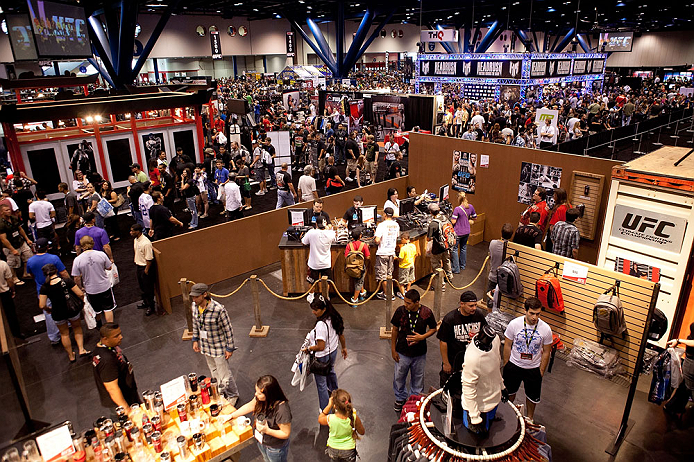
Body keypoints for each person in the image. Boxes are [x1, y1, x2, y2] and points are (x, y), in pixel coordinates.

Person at [502, 297, 553, 422]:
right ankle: (507, 415)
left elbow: (547, 351)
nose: (534, 317)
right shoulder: (514, 324)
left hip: (533, 368)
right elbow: (507, 345)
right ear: (525, 310)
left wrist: (541, 370)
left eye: (537, 314)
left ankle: (529, 418)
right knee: (509, 393)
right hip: (514, 365)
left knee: (532, 397)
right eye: (531, 313)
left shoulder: (545, 329)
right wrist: (506, 364)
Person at [190, 283, 240, 405]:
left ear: (204, 294)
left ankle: (233, 395)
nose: (194, 299)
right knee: (213, 371)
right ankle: (221, 392)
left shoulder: (218, 309)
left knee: (225, 374)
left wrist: (229, 348)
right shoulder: (194, 306)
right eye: (193, 297)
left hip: (218, 348)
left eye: (196, 297)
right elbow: (195, 324)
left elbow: (228, 330)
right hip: (206, 346)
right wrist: (195, 339)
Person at [390, 289, 437, 413]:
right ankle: (400, 398)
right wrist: (393, 350)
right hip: (402, 352)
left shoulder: (426, 312)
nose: (406, 305)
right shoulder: (400, 311)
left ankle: (415, 399)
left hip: (419, 353)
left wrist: (422, 337)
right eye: (405, 302)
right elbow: (395, 329)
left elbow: (433, 328)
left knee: (418, 377)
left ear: (417, 302)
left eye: (409, 303)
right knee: (399, 377)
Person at [229, 375, 291, 462]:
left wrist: (267, 430)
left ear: (269, 394)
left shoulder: (282, 410)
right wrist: (231, 415)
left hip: (275, 448)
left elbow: (285, 433)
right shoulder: (261, 399)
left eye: (259, 393)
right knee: (266, 459)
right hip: (262, 441)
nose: (256, 394)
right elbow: (250, 405)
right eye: (256, 391)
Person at [39, 263, 89, 362]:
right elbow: (79, 293)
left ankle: (71, 355)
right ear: (56, 271)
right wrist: (82, 302)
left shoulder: (45, 287)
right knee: (77, 328)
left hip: (57, 312)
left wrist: (48, 309)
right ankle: (81, 349)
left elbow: (41, 305)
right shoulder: (66, 281)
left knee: (64, 334)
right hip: (72, 310)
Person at [304, 296, 348, 410]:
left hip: (321, 357)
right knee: (331, 370)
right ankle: (336, 393)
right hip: (333, 351)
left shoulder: (320, 326)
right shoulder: (334, 317)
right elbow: (341, 334)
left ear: (323, 309)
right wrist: (344, 348)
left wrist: (308, 348)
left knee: (321, 384)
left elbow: (320, 346)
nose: (313, 312)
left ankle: (325, 410)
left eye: (316, 310)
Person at [437, 291, 488, 386]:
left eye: (475, 305)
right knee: (449, 385)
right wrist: (446, 363)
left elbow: (484, 333)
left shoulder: (478, 315)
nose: (474, 308)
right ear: (462, 304)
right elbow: (443, 341)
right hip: (454, 360)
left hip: (473, 360)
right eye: (471, 306)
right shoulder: (450, 319)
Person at [462, 325, 505, 435]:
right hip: (479, 406)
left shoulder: (495, 340)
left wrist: (502, 387)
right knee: (476, 439)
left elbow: (495, 369)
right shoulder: (473, 358)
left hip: (493, 400)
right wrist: (474, 417)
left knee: (490, 428)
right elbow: (468, 387)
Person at [26, 238, 68, 344]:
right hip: (57, 287)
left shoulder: (30, 261)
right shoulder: (54, 258)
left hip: (42, 289)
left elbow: (31, 275)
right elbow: (63, 273)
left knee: (48, 312)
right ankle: (67, 325)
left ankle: (54, 337)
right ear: (47, 247)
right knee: (64, 304)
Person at [92, 323, 141, 412]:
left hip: (129, 393)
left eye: (120, 333)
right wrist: (126, 410)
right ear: (105, 339)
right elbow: (112, 388)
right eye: (116, 336)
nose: (121, 337)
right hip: (122, 402)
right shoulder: (107, 360)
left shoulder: (105, 347)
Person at [72, 236, 115, 324]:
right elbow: (109, 267)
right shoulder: (101, 254)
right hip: (104, 286)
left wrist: (80, 288)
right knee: (108, 309)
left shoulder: (78, 260)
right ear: (93, 243)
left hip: (91, 289)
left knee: (96, 310)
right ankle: (110, 327)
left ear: (81, 246)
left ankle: (99, 325)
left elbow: (76, 277)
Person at [318, 389, 366, 462]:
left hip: (333, 449)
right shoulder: (354, 417)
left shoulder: (331, 418)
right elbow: (362, 432)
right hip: (348, 451)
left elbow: (320, 418)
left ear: (335, 406)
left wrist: (329, 405)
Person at [663, 323, 694, 416]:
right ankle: (673, 406)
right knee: (686, 387)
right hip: (690, 361)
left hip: (691, 362)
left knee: (687, 388)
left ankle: (673, 406)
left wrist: (679, 340)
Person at [0, 203, 33, 285]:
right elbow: (3, 239)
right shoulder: (1, 224)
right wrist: (12, 249)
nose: (9, 211)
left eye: (9, 210)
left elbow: (20, 229)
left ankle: (26, 273)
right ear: (1, 212)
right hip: (10, 245)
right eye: (6, 210)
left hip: (20, 241)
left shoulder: (13, 218)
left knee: (28, 255)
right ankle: (14, 278)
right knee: (12, 262)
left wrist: (27, 239)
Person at [302, 215, 336, 290]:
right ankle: (325, 297)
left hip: (314, 264)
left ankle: (311, 296)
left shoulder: (311, 233)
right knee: (327, 282)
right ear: (326, 224)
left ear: (316, 224)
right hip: (326, 264)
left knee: (311, 282)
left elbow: (304, 242)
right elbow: (335, 239)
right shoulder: (331, 233)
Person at [374, 207, 400, 300]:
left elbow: (377, 240)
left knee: (383, 276)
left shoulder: (381, 225)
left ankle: (388, 295)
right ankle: (390, 293)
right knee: (389, 275)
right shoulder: (396, 225)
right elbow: (396, 236)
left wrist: (375, 238)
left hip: (382, 253)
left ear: (385, 214)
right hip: (391, 252)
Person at [131, 224, 156, 315]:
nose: (131, 232)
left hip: (145, 268)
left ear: (138, 231)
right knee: (142, 287)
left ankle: (151, 307)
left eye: (133, 231)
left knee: (148, 288)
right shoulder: (136, 240)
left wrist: (146, 270)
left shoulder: (146, 243)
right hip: (139, 266)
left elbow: (149, 258)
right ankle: (146, 302)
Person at [427, 203, 453, 289]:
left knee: (436, 265)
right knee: (446, 261)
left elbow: (428, 238)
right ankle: (449, 277)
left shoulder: (433, 224)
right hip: (446, 246)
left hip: (437, 248)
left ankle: (440, 284)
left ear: (430, 212)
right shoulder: (445, 218)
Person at [487, 223, 514, 308]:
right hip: (504, 281)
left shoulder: (493, 243)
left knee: (490, 303)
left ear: (501, 232)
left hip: (493, 277)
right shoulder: (512, 249)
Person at [450, 191, 477, 273]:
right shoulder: (470, 207)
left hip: (458, 232)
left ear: (458, 199)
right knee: (463, 248)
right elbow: (475, 217)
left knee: (454, 249)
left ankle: (456, 268)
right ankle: (462, 266)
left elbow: (453, 221)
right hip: (467, 231)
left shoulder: (457, 209)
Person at [345, 228, 370, 306]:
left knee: (358, 281)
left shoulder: (349, 245)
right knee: (359, 282)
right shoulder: (363, 245)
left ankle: (362, 293)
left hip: (351, 267)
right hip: (360, 267)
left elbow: (346, 256)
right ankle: (355, 300)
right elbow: (368, 257)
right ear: (360, 236)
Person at [0, 258, 23, 342]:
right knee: (11, 315)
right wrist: (13, 290)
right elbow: (10, 281)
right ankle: (16, 334)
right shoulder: (2, 264)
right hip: (4, 294)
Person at [546, 187, 572, 253]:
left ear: (558, 197)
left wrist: (553, 240)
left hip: (556, 236)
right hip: (565, 236)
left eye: (555, 195)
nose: (553, 196)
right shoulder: (569, 206)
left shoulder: (559, 209)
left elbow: (552, 226)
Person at [396, 231, 417, 296]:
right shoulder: (413, 246)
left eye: (402, 239)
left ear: (404, 239)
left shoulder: (403, 248)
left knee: (401, 282)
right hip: (411, 264)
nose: (401, 241)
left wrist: (395, 258)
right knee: (409, 280)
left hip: (404, 266)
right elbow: (415, 254)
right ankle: (407, 290)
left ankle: (403, 294)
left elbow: (401, 258)